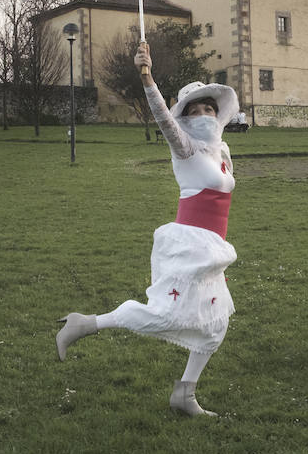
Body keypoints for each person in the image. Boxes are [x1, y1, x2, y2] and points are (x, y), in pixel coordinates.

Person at [55, 42, 237, 416]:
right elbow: (162, 118)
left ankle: (184, 394)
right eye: (194, 110)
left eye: (208, 109)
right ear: (184, 118)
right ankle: (85, 323)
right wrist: (146, 76)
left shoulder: (220, 150)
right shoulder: (184, 146)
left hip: (213, 246)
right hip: (191, 245)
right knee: (164, 316)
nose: (203, 114)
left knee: (215, 325)